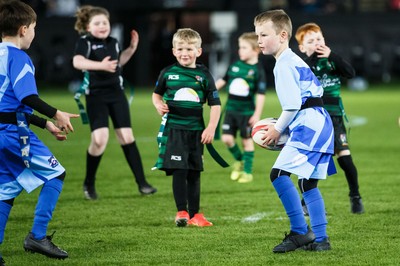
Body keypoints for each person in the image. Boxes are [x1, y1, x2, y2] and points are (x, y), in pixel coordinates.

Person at [0, 0, 79, 263]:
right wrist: (55, 113)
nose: (34, 33)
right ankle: (37, 236)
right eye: (34, 27)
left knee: (6, 190)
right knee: (56, 174)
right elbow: (27, 96)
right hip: (12, 134)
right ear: (24, 29)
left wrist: (44, 124)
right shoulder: (19, 57)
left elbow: (9, 104)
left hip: (4, 129)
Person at [254, 9, 335, 252]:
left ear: (282, 35)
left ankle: (300, 232)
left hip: (309, 123)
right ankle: (321, 240)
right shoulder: (292, 60)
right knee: (308, 185)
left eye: (264, 35)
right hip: (320, 121)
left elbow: (291, 106)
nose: (259, 40)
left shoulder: (284, 64)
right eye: (257, 35)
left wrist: (277, 130)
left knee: (278, 175)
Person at [72, 5, 157, 200]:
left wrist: (131, 49)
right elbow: (77, 62)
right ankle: (89, 184)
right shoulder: (85, 42)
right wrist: (100, 66)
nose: (102, 26)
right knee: (100, 140)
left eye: (105, 22)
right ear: (87, 26)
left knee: (127, 137)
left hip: (116, 94)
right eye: (97, 23)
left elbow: (118, 63)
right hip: (95, 95)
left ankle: (142, 184)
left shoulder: (113, 41)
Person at [152, 28, 221, 227]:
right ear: (174, 51)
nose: (185, 53)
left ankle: (196, 214)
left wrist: (211, 128)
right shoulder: (168, 73)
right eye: (180, 48)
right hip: (174, 130)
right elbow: (156, 94)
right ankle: (181, 212)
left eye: (189, 49)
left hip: (196, 132)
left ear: (198, 51)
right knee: (179, 170)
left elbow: (215, 103)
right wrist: (158, 105)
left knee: (194, 171)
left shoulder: (204, 75)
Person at [295, 22, 364, 214]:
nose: (316, 43)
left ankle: (356, 197)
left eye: (319, 38)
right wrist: (311, 59)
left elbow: (350, 73)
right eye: (311, 41)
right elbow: (299, 80)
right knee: (314, 160)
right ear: (302, 47)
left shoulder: (332, 60)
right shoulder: (304, 65)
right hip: (315, 118)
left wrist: (332, 55)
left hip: (335, 118)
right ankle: (306, 201)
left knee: (345, 159)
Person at [215, 32, 267, 183]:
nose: (240, 50)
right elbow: (222, 81)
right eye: (240, 47)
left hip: (247, 112)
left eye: (244, 47)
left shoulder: (258, 70)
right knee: (227, 138)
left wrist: (257, 114)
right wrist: (208, 93)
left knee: (246, 141)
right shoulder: (235, 65)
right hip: (230, 110)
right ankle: (239, 159)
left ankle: (247, 172)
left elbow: (261, 94)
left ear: (256, 50)